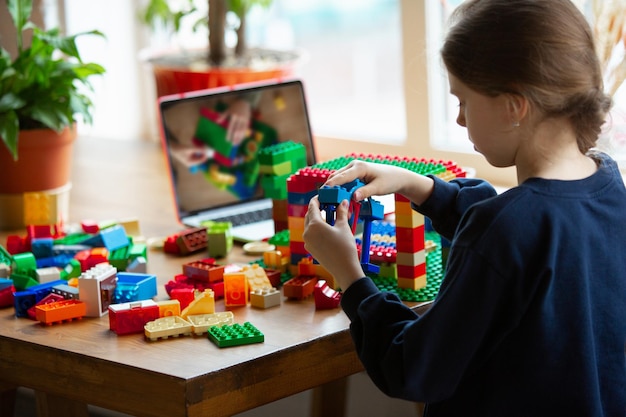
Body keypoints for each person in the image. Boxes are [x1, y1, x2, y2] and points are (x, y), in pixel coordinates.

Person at [302, 0, 626, 416]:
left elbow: (412, 367)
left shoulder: (506, 230)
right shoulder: (608, 186)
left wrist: (349, 274)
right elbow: (521, 235)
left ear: (513, 106)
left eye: (463, 102)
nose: (458, 120)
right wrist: (418, 186)